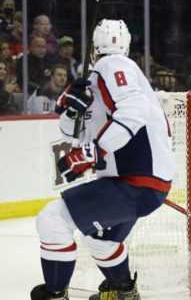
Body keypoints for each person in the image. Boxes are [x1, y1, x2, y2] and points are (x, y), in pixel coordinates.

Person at [30, 19, 175, 300]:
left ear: (94, 47)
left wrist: (92, 153)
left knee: (52, 221)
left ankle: (55, 294)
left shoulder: (113, 66)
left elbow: (132, 112)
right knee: (101, 241)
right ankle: (122, 292)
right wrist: (71, 111)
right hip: (141, 183)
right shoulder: (105, 76)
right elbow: (77, 134)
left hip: (133, 182)